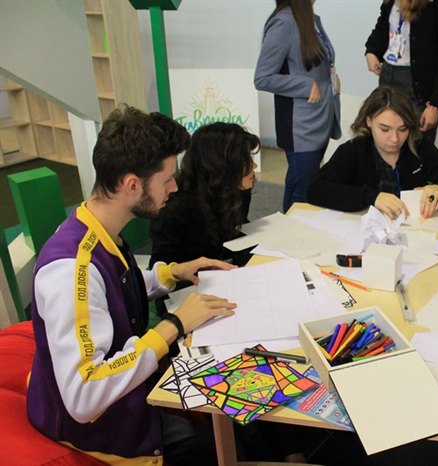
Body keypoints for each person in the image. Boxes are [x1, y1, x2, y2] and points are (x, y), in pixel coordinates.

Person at [26, 106, 237, 465]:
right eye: (167, 179)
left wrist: (171, 273)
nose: (174, 187)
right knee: (216, 445)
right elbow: (84, 396)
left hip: (117, 389)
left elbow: (115, 285)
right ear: (132, 185)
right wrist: (174, 325)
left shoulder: (95, 226)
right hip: (96, 427)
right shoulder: (71, 272)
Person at [307, 86, 438, 219]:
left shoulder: (420, 147)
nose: (395, 139)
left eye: (403, 129)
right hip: (363, 233)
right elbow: (316, 190)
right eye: (385, 129)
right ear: (368, 121)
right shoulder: (353, 151)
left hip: (414, 234)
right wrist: (372, 197)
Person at [254, 0, 341, 213]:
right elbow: (263, 78)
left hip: (320, 117)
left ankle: (289, 227)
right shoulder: (284, 22)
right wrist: (305, 85)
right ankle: (292, 231)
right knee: (304, 191)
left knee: (300, 182)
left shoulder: (309, 18)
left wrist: (331, 79)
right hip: (301, 125)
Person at [150, 122, 259, 268]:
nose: (254, 166)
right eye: (245, 161)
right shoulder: (174, 210)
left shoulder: (236, 191)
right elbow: (162, 270)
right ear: (221, 165)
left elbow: (236, 232)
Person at [364, 0, 438, 143]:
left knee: (415, 143)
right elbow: (383, 24)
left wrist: (435, 103)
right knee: (385, 139)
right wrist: (371, 51)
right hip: (388, 75)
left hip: (419, 85)